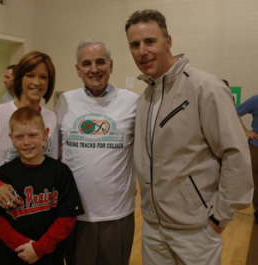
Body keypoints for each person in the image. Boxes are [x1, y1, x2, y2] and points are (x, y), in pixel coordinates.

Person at [125, 9, 254, 265]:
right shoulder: (144, 99)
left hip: (196, 231)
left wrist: (219, 217)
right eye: (135, 44)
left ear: (168, 41)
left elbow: (235, 154)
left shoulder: (206, 87)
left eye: (150, 41)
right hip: (152, 229)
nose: (142, 51)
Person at [0, 50, 58, 262]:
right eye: (30, 75)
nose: (37, 82)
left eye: (43, 77)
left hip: (42, 216)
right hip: (5, 218)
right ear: (19, 79)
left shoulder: (51, 118)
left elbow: (54, 164)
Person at [55, 39, 138, 265]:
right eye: (87, 63)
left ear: (111, 65)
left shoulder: (132, 102)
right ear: (78, 69)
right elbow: (54, 155)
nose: (94, 69)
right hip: (74, 213)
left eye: (100, 62)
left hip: (117, 214)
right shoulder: (65, 101)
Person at [0, 106, 84, 265]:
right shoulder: (2, 175)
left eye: (33, 135)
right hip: (14, 255)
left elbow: (67, 217)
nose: (26, 142)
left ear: (45, 135)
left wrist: (39, 248)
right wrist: (23, 245)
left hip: (48, 255)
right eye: (19, 137)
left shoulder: (60, 173)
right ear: (11, 138)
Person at [237, 95, 258, 223]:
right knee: (256, 181)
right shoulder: (255, 100)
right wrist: (246, 132)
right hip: (256, 147)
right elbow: (233, 113)